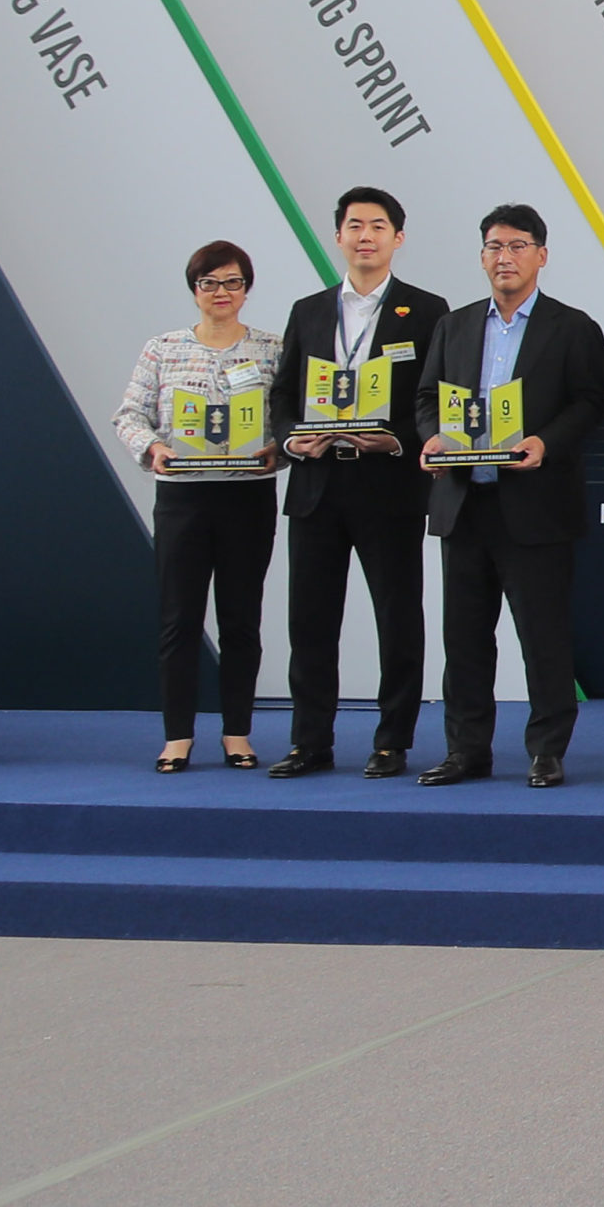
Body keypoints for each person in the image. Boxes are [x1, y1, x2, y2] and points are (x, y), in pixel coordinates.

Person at [414, 205, 604, 786]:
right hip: (465, 502)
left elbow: (588, 404)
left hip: (535, 504)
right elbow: (426, 398)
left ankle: (547, 750)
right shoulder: (455, 325)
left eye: (518, 245)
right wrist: (432, 438)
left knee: (542, 637)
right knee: (464, 640)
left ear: (541, 255)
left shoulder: (573, 326)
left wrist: (545, 442)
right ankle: (466, 749)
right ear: (481, 257)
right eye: (494, 246)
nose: (505, 257)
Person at [268, 185, 445, 781]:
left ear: (398, 237)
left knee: (398, 618)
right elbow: (283, 395)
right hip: (318, 483)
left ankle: (393, 740)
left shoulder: (425, 310)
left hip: (387, 483)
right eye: (353, 226)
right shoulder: (308, 310)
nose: (364, 236)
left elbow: (431, 400)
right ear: (338, 236)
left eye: (377, 226)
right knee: (310, 622)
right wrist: (294, 439)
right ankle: (309, 740)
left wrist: (396, 440)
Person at [116, 241, 283, 771]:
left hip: (246, 498)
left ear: (247, 289)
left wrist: (277, 450)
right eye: (209, 283)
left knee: (241, 621)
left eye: (232, 282)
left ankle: (238, 733)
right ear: (194, 290)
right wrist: (153, 448)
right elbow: (128, 416)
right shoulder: (161, 349)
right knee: (178, 619)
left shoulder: (271, 350)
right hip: (183, 499)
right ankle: (177, 736)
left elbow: (292, 420)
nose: (221, 293)